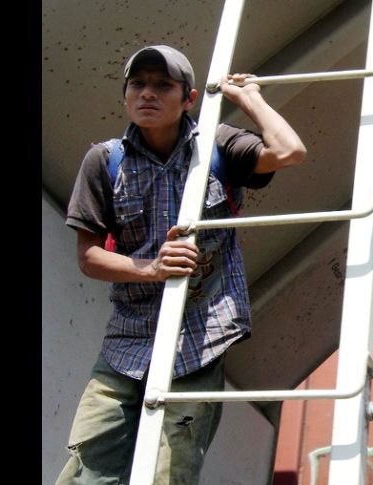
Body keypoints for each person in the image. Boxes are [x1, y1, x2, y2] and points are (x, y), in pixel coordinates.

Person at [57, 44, 306, 484]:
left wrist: (249, 98)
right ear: (125, 95)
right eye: (138, 84)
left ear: (188, 98)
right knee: (86, 472)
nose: (147, 94)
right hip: (127, 341)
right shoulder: (105, 161)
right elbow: (90, 257)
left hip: (201, 340)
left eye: (162, 85)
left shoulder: (218, 145)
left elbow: (290, 152)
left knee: (170, 475)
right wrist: (152, 269)